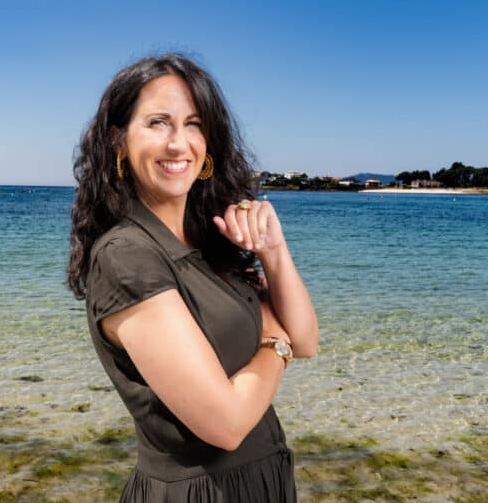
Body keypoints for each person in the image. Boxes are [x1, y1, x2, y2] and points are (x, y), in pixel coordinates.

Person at [68, 53, 318, 502]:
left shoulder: (207, 242)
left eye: (194, 124)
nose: (178, 143)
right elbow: (224, 424)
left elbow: (307, 341)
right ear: (118, 140)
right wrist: (274, 343)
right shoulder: (127, 257)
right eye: (158, 122)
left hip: (260, 482)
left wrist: (274, 250)